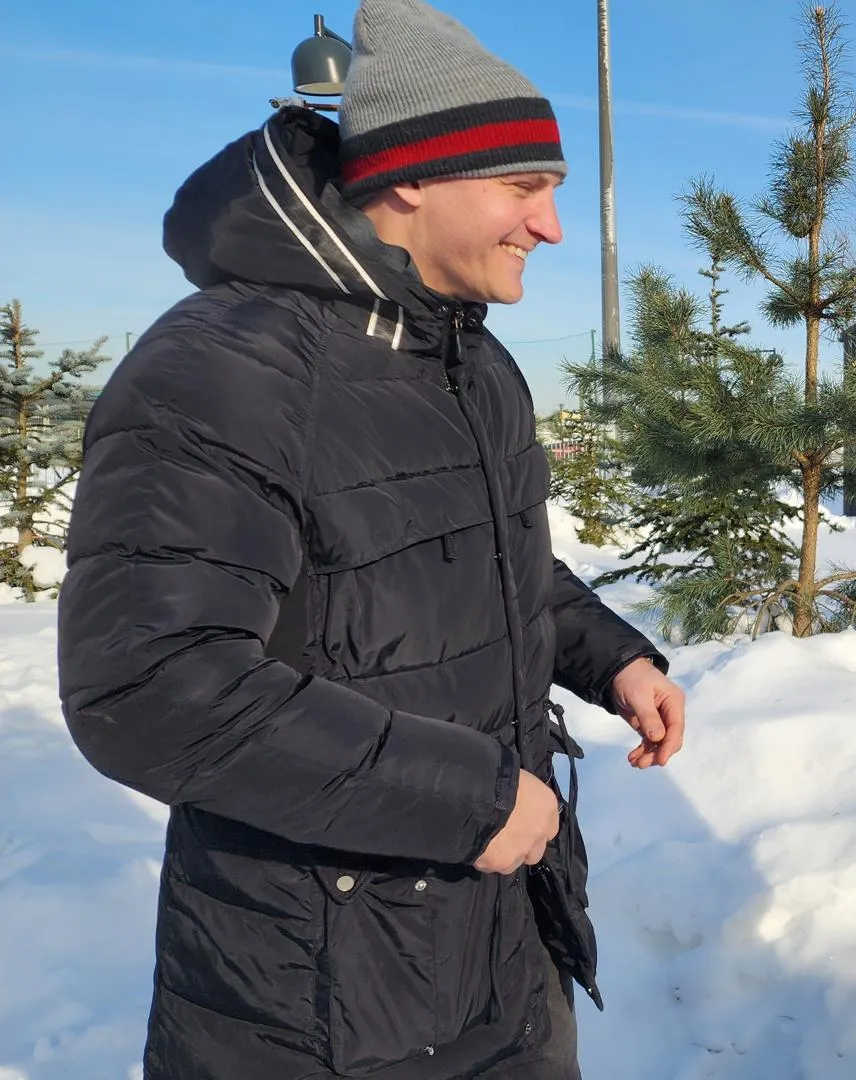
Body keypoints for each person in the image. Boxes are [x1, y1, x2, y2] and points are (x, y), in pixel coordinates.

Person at [55, 1, 685, 1076]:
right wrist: (472, 797)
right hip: (319, 1003)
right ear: (411, 177)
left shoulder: (470, 358)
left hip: (503, 953)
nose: (551, 227)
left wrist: (609, 652)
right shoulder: (224, 369)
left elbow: (487, 555)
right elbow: (148, 686)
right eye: (526, 188)